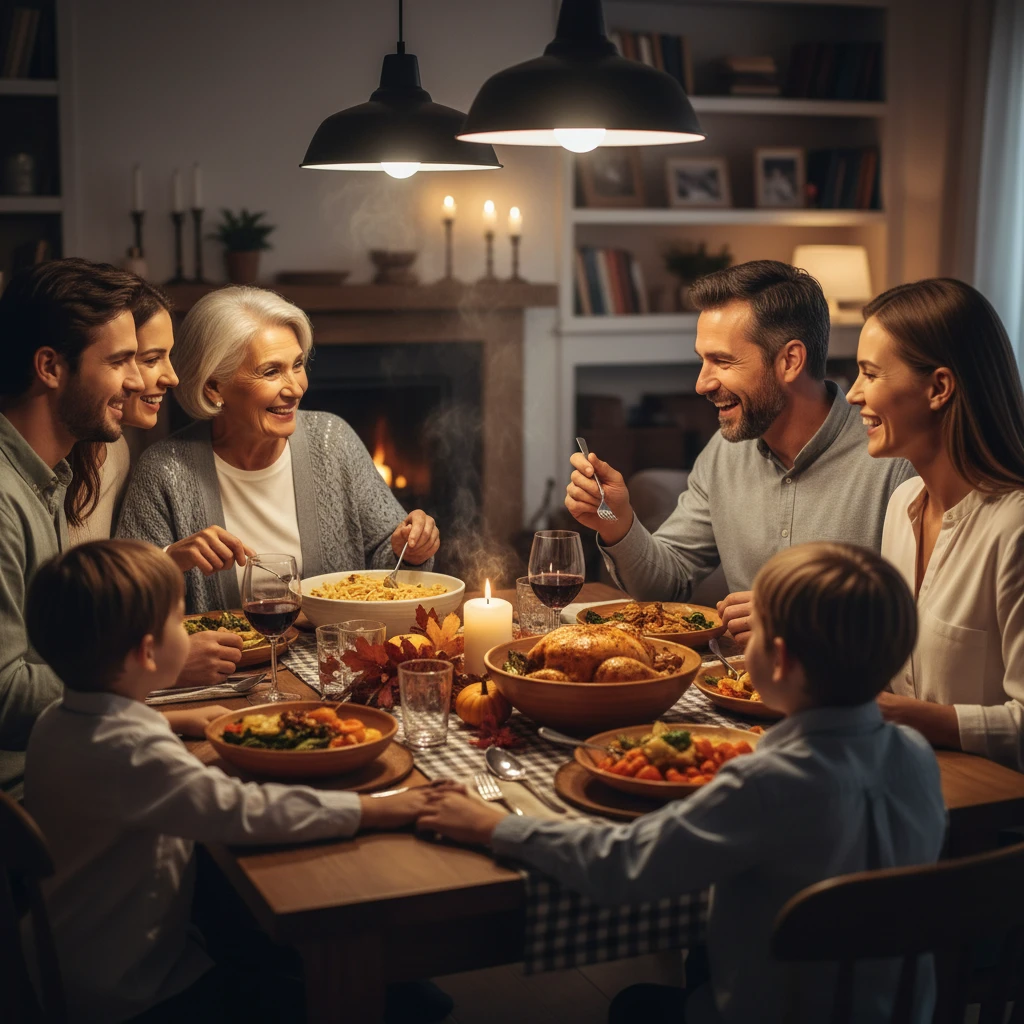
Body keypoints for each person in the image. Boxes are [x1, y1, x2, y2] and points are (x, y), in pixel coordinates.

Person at [419, 543, 947, 1023]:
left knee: (632, 1007)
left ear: (780, 659)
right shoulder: (917, 758)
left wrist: (495, 828)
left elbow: (622, 865)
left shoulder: (763, 782)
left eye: (754, 633)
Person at [23, 538, 444, 1024]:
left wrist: (182, 719)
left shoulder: (59, 720)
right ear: (147, 653)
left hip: (62, 960)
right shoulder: (138, 756)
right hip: (135, 994)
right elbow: (248, 811)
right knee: (359, 994)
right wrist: (382, 808)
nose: (185, 628)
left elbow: (115, 737)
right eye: (178, 620)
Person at [565, 261, 915, 645]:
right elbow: (670, 583)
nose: (701, 384)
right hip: (737, 687)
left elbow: (916, 614)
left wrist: (801, 616)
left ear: (790, 361)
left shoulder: (894, 460)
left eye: (722, 361)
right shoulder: (723, 453)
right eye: (702, 359)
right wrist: (618, 522)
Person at [117, 286, 440, 613]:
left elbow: (389, 559)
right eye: (271, 371)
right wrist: (171, 558)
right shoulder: (164, 471)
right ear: (215, 386)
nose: (296, 388)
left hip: (334, 651)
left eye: (297, 365)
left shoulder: (332, 440)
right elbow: (121, 600)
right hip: (232, 662)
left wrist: (410, 549)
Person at [847, 278, 1024, 771]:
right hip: (907, 780)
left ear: (939, 388)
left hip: (992, 819)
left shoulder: (1015, 529)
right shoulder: (903, 504)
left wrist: (926, 719)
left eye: (870, 374)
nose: (853, 395)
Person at [0, 257, 142, 795]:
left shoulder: (50, 476)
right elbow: (6, 697)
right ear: (50, 367)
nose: (136, 381)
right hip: (24, 804)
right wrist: (145, 668)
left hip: (58, 758)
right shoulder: (3, 498)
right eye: (120, 361)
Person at [67, 280, 254, 685]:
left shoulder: (116, 449)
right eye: (151, 358)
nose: (171, 377)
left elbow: (108, 598)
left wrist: (166, 557)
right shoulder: (50, 473)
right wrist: (160, 666)